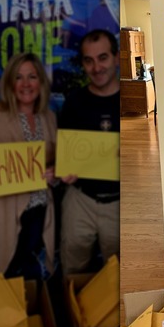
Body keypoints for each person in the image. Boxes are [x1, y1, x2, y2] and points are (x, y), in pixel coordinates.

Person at [0, 52, 57, 279]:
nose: (25, 84)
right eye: (18, 77)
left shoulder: (49, 117)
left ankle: (31, 308)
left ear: (41, 82)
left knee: (30, 266)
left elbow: (56, 159)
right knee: (6, 270)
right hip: (5, 211)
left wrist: (55, 173)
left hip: (40, 209)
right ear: (10, 83)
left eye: (32, 77)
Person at [58, 29, 121, 275]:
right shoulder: (74, 102)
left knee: (116, 273)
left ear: (116, 57)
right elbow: (67, 153)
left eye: (103, 57)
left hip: (118, 203)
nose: (96, 67)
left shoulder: (128, 104)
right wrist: (65, 169)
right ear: (82, 64)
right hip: (79, 199)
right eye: (89, 60)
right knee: (73, 269)